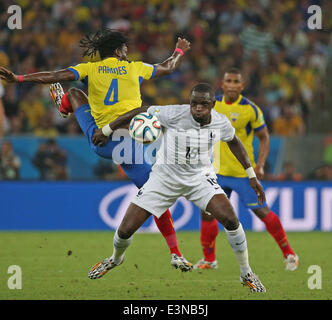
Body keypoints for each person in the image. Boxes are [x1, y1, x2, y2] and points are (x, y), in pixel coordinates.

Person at [0, 29, 192, 271]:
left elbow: (55, 75)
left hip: (98, 137)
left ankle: (64, 106)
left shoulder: (88, 69)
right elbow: (168, 67)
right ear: (117, 51)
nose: (127, 52)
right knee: (155, 195)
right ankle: (175, 253)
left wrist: (18, 79)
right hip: (126, 144)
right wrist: (179, 51)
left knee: (74, 92)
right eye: (124, 48)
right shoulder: (136, 68)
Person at [88, 83, 267, 292]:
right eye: (194, 103)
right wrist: (108, 129)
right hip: (164, 178)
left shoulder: (220, 122)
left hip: (200, 178)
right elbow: (139, 111)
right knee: (125, 230)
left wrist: (251, 175)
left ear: (213, 104)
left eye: (203, 104)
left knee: (231, 219)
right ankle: (115, 258)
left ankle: (246, 273)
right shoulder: (173, 113)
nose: (198, 108)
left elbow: (234, 142)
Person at [193, 68, 299, 271]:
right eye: (228, 80)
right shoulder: (212, 105)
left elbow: (264, 137)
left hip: (242, 174)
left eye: (236, 81)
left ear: (242, 86)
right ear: (222, 84)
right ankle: (209, 259)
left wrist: (259, 165)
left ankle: (290, 254)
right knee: (206, 212)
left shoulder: (251, 109)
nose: (232, 84)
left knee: (261, 211)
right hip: (217, 172)